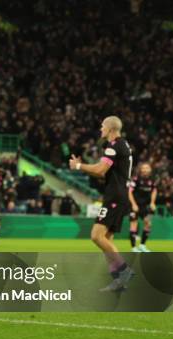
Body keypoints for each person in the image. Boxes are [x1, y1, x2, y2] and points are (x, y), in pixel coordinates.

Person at [69, 116, 134, 292]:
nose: (101, 128)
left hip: (115, 196)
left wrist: (78, 166)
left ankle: (124, 270)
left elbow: (100, 170)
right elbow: (104, 172)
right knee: (106, 240)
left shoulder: (114, 146)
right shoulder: (122, 145)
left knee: (96, 236)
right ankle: (118, 282)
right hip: (118, 195)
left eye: (103, 126)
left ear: (111, 129)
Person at [128, 163, 157, 252]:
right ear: (141, 170)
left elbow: (154, 191)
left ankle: (142, 245)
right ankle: (133, 247)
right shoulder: (136, 179)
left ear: (150, 170)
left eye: (147, 168)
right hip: (135, 205)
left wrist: (152, 202)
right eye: (143, 168)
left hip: (145, 206)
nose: (145, 169)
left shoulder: (152, 180)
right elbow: (129, 192)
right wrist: (133, 204)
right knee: (134, 225)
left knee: (148, 224)